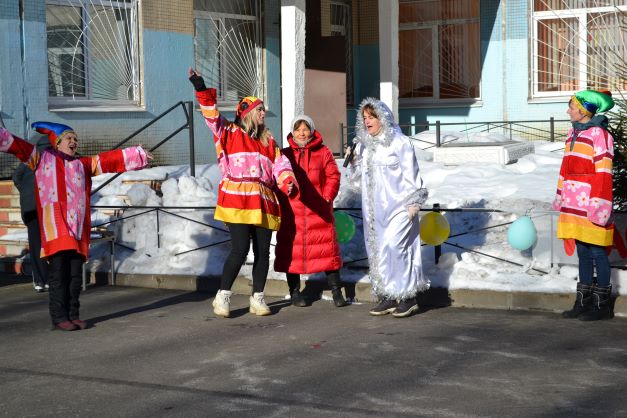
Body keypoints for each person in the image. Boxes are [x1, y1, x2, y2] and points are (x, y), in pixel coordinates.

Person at [0, 122, 152, 331]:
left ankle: (73, 314)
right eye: (69, 138)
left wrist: (138, 154)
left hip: (78, 228)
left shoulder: (83, 164)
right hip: (56, 227)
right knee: (59, 274)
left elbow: (108, 160)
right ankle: (59, 317)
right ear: (57, 143)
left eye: (75, 139)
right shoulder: (42, 159)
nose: (74, 142)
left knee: (74, 275)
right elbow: (18, 146)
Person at [188, 68, 298, 318]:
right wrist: (201, 87)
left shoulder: (269, 141)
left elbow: (281, 164)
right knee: (239, 250)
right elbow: (211, 115)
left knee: (263, 252)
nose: (263, 113)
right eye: (259, 110)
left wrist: (287, 181)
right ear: (247, 113)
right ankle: (222, 296)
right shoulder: (229, 132)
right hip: (237, 198)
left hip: (263, 199)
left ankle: (258, 297)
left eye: (263, 110)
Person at [347, 98, 429, 318]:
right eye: (364, 118)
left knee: (396, 247)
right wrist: (353, 162)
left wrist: (414, 202)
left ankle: (409, 296)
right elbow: (357, 182)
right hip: (374, 212)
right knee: (379, 251)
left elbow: (412, 174)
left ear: (382, 118)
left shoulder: (400, 143)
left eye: (371, 117)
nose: (367, 121)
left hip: (400, 207)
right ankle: (389, 295)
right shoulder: (364, 146)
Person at [555, 89, 615, 321]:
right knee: (582, 252)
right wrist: (560, 194)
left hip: (592, 202)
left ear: (582, 110)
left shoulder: (600, 134)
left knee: (597, 251)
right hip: (573, 203)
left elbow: (604, 171)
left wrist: (599, 203)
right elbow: (565, 167)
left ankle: (602, 306)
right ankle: (583, 302)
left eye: (571, 107)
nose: (568, 111)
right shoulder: (572, 132)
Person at [274, 115, 348, 308]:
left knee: (328, 252)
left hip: (319, 211)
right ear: (292, 132)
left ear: (312, 131)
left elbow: (333, 175)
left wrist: (327, 196)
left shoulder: (323, 152)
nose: (301, 133)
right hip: (293, 212)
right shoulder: (284, 154)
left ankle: (336, 291)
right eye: (298, 129)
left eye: (305, 129)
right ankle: (295, 292)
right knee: (292, 253)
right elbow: (277, 177)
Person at [12, 136, 51, 292]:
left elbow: (16, 176)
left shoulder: (30, 157)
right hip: (46, 206)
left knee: (35, 244)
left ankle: (39, 281)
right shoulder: (52, 158)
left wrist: (25, 192)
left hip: (30, 208)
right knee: (48, 243)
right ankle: (48, 279)